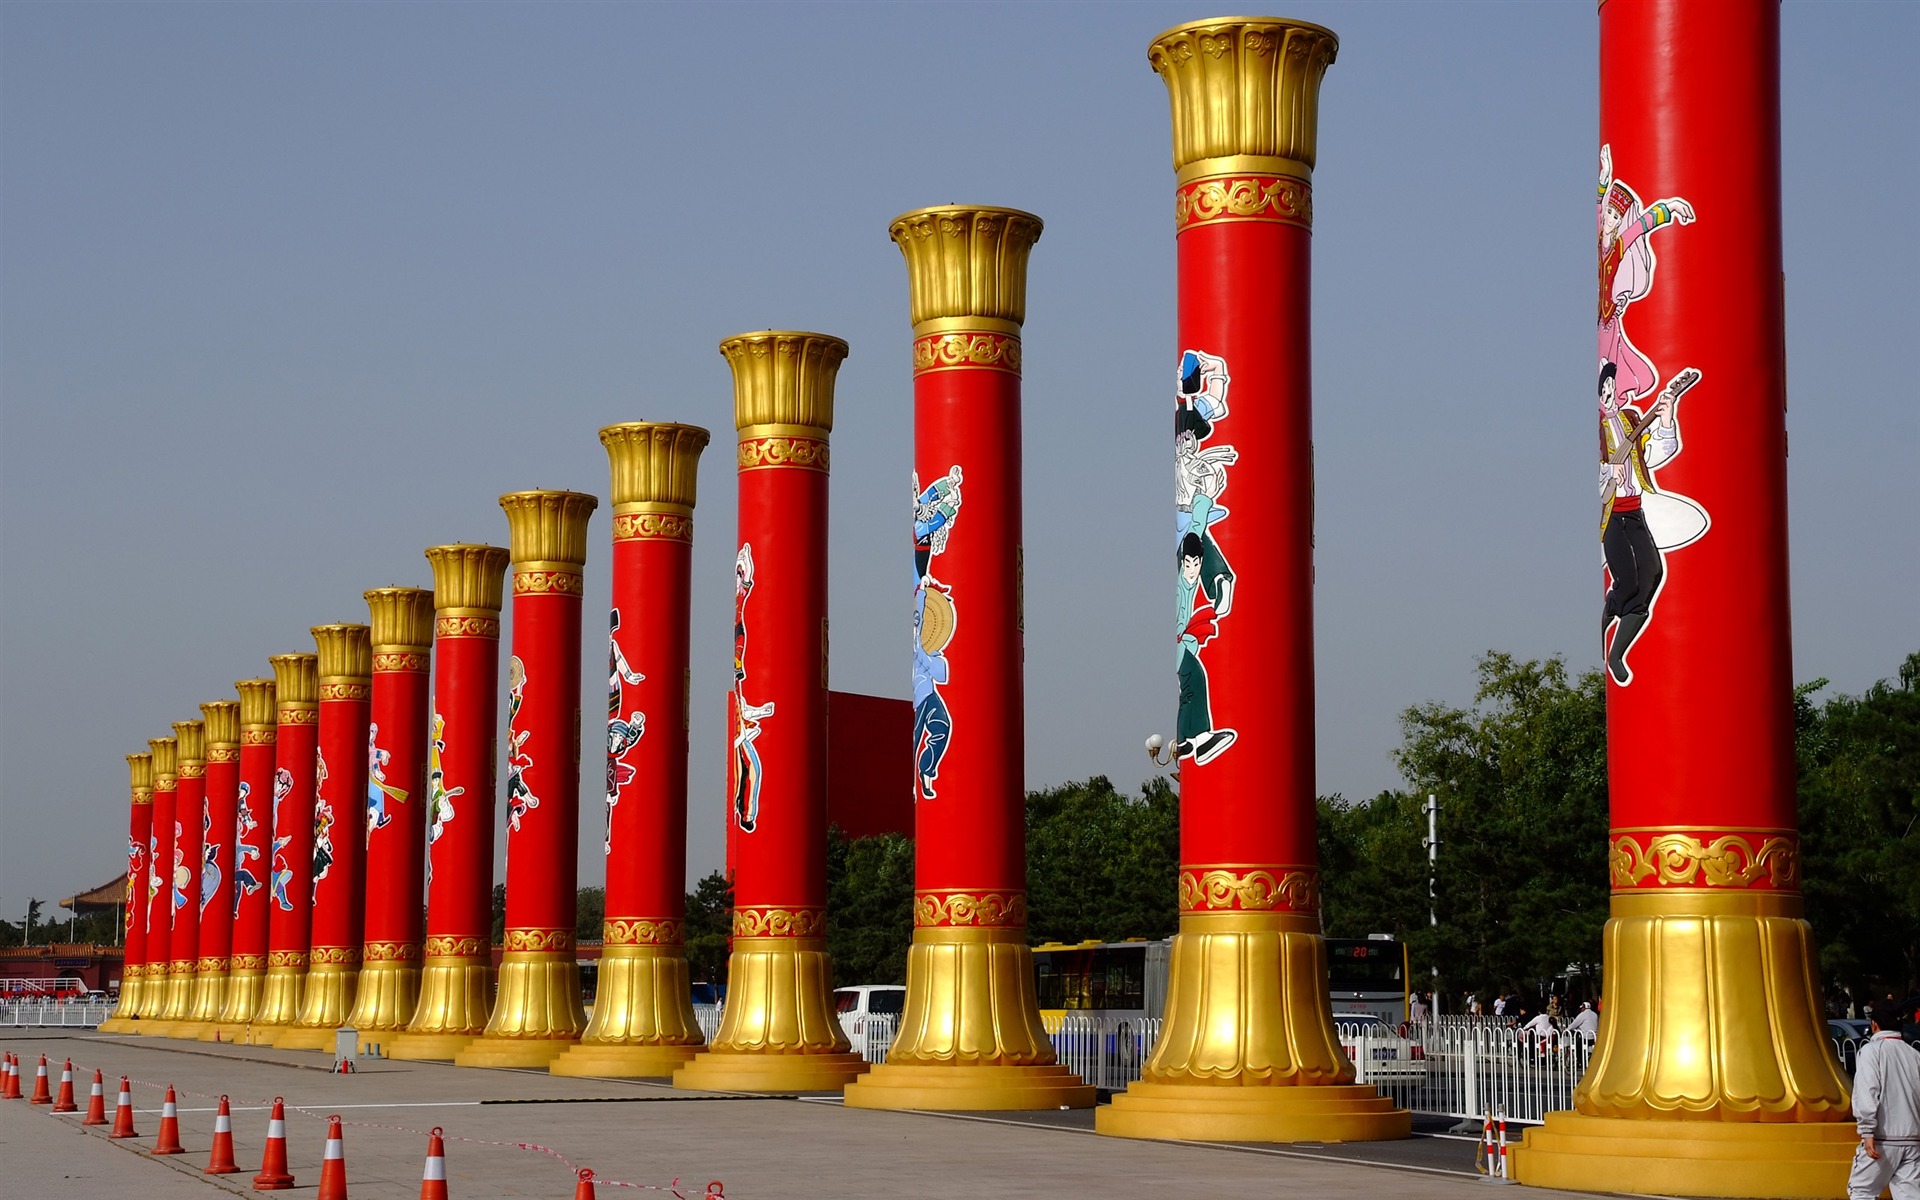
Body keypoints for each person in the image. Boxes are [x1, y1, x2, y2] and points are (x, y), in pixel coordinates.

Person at [1849, 1000, 1920, 1200]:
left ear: (1874, 1024)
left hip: (1883, 1137)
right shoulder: (1914, 1055)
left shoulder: (1872, 1051)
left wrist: (1867, 1130)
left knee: (1862, 1191)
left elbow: (1867, 1091)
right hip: (1913, 1139)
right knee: (1910, 1195)